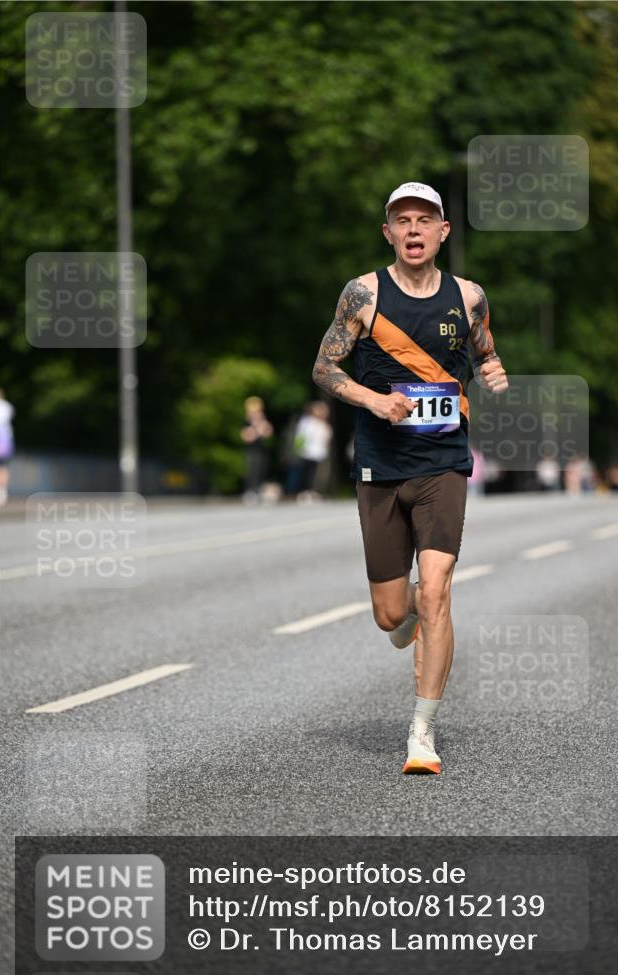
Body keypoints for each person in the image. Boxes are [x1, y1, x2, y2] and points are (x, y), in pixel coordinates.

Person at [312, 181, 508, 775]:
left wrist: (494, 369)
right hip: (380, 461)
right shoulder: (363, 294)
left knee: (437, 589)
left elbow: (482, 348)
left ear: (443, 231)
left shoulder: (469, 296)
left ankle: (421, 734)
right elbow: (324, 367)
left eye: (426, 220)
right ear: (389, 233)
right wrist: (373, 401)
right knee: (392, 616)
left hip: (443, 461)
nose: (415, 230)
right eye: (404, 221)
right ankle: (407, 622)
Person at [294, 401, 333, 500]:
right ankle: (305, 492)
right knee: (308, 473)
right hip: (308, 452)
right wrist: (299, 449)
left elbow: (327, 439)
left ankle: (315, 491)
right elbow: (300, 436)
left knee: (319, 474)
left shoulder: (324, 425)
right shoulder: (307, 422)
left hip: (320, 453)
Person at [240, 396, 273, 503]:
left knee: (261, 471)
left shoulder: (263, 422)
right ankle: (249, 492)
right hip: (251, 451)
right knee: (251, 472)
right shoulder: (247, 423)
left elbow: (268, 433)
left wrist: (261, 423)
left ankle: (258, 491)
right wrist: (256, 427)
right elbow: (247, 437)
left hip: (262, 450)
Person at [0, 387, 15, 506]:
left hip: (1, 437)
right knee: (3, 467)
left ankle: (0, 491)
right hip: (5, 438)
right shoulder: (7, 406)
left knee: (1, 467)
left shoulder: (4, 406)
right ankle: (2, 492)